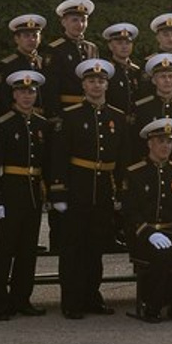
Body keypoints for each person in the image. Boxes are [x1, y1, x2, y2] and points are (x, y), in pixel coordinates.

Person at [48, 57, 127, 319]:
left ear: (107, 84)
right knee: (72, 249)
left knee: (95, 248)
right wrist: (58, 190)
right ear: (83, 85)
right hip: (77, 188)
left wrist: (121, 191)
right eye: (91, 81)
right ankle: (71, 301)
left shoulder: (117, 117)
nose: (96, 85)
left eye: (101, 81)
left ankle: (92, 296)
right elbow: (58, 156)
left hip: (103, 189)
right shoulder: (70, 116)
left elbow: (121, 160)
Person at [0, 68, 50, 320]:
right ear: (14, 94)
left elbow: (47, 162)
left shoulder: (42, 124)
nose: (27, 96)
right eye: (22, 91)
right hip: (11, 190)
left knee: (27, 250)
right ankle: (0, 304)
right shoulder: (3, 124)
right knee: (5, 249)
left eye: (31, 91)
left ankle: (22, 298)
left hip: (33, 191)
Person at [123, 118, 172, 323]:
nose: (165, 146)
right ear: (150, 144)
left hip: (171, 231)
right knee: (161, 252)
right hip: (144, 234)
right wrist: (148, 232)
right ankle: (152, 305)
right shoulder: (135, 173)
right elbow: (130, 212)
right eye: (160, 141)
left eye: (169, 142)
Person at [42, 0, 98, 117]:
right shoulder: (55, 49)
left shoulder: (91, 48)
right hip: (66, 109)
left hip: (90, 108)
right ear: (64, 22)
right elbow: (50, 87)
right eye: (75, 20)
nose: (80, 24)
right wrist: (54, 114)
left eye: (83, 20)